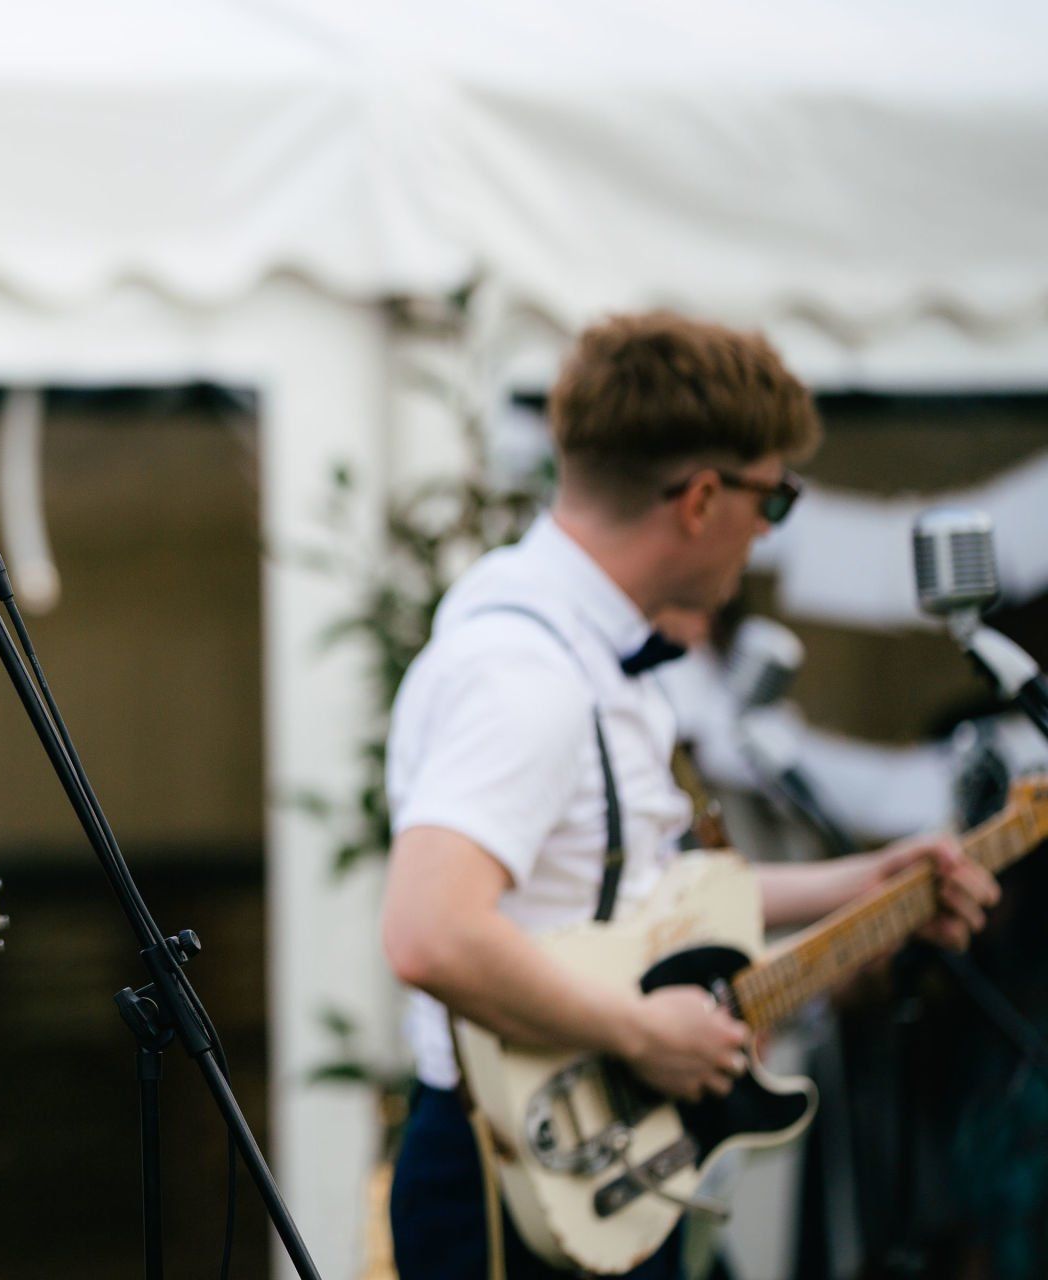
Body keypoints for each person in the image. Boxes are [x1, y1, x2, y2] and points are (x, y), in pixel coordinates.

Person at [378, 312, 1000, 1279]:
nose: (769, 530)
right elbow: (431, 933)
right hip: (518, 1170)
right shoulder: (526, 672)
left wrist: (866, 881)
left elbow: (649, 893)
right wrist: (640, 1033)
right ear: (704, 498)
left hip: (595, 1150)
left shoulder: (593, 650)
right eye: (774, 497)